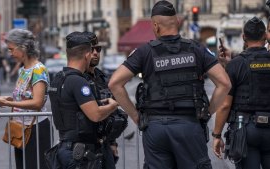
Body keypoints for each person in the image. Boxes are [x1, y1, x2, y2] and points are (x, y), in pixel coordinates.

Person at [108, 1, 231, 168]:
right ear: (178, 23)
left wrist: (137, 117)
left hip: (156, 128)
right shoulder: (196, 49)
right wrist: (207, 113)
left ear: (156, 26)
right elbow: (224, 83)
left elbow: (115, 83)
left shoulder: (145, 52)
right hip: (189, 126)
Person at [48, 31, 118, 169]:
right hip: (80, 152)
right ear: (87, 55)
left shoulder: (57, 78)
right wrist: (113, 106)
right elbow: (96, 114)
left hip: (66, 146)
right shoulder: (78, 81)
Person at [0, 29, 51, 169]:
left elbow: (37, 102)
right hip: (22, 128)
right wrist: (6, 99)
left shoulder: (38, 70)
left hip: (35, 130)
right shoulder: (24, 69)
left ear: (23, 47)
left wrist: (8, 102)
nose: (10, 54)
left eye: (12, 49)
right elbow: (24, 96)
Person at [213, 17, 270, 169]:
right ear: (265, 36)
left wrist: (217, 135)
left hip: (246, 130)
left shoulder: (236, 65)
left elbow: (225, 105)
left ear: (244, 37)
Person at [82, 31, 128, 168]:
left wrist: (112, 143)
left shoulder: (101, 78)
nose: (96, 52)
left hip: (104, 145)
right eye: (92, 49)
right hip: (84, 146)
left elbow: (111, 114)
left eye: (98, 49)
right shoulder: (76, 79)